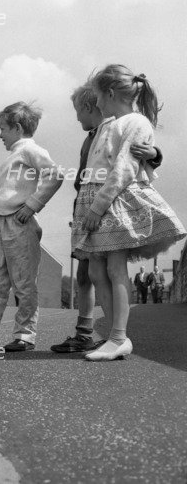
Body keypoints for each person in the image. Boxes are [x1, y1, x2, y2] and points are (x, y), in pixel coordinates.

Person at [71, 65, 186, 361]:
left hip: (113, 201)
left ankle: (119, 338)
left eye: (97, 96)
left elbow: (125, 168)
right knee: (96, 270)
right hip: (97, 198)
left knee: (114, 268)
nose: (95, 103)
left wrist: (97, 207)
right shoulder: (109, 124)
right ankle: (113, 336)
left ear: (109, 94)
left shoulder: (135, 122)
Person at [51, 84, 162, 353]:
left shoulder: (119, 125)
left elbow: (130, 160)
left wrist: (156, 155)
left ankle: (107, 334)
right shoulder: (95, 133)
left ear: (95, 105)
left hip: (106, 203)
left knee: (104, 271)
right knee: (89, 273)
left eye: (79, 111)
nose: (76, 117)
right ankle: (101, 334)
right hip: (89, 205)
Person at [0, 102, 63, 352]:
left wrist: (32, 205)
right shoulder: (14, 155)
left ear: (17, 128)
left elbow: (55, 174)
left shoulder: (30, 150)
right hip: (0, 223)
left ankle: (25, 335)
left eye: (3, 128)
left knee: (24, 283)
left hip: (19, 223)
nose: (0, 134)